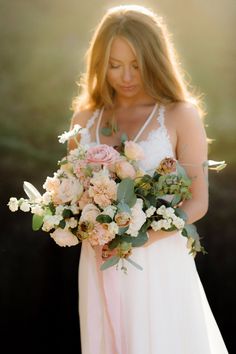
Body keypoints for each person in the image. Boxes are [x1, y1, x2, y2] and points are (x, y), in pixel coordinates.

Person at [68, 5, 228, 354]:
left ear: (155, 60)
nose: (125, 76)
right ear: (100, 64)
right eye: (114, 65)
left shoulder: (179, 115)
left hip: (158, 261)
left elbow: (198, 202)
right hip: (98, 260)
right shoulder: (85, 117)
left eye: (136, 65)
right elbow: (72, 194)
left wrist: (142, 239)